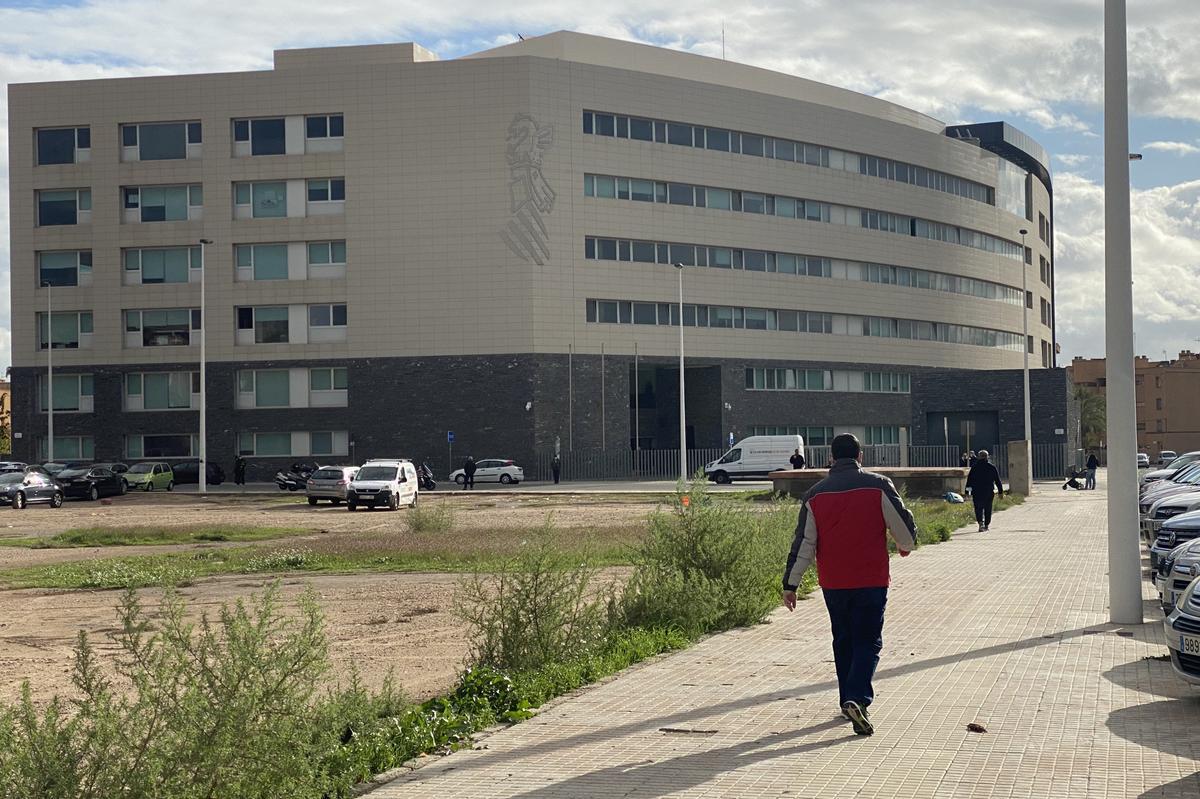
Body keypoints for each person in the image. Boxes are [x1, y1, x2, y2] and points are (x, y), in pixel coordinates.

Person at [782, 433, 917, 736]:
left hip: (834, 582)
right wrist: (905, 544)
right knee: (868, 640)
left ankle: (847, 701)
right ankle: (857, 698)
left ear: (831, 458)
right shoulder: (878, 485)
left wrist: (791, 584)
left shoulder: (815, 494)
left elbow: (804, 542)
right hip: (871, 579)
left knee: (843, 640)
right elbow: (903, 527)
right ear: (860, 456)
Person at [965, 450, 1005, 531]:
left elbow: (969, 481)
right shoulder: (991, 467)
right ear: (987, 457)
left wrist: (967, 492)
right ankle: (986, 525)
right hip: (988, 491)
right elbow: (997, 480)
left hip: (977, 492)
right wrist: (1000, 492)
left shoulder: (974, 467)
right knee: (988, 508)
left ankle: (980, 523)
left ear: (978, 457)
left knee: (978, 508)